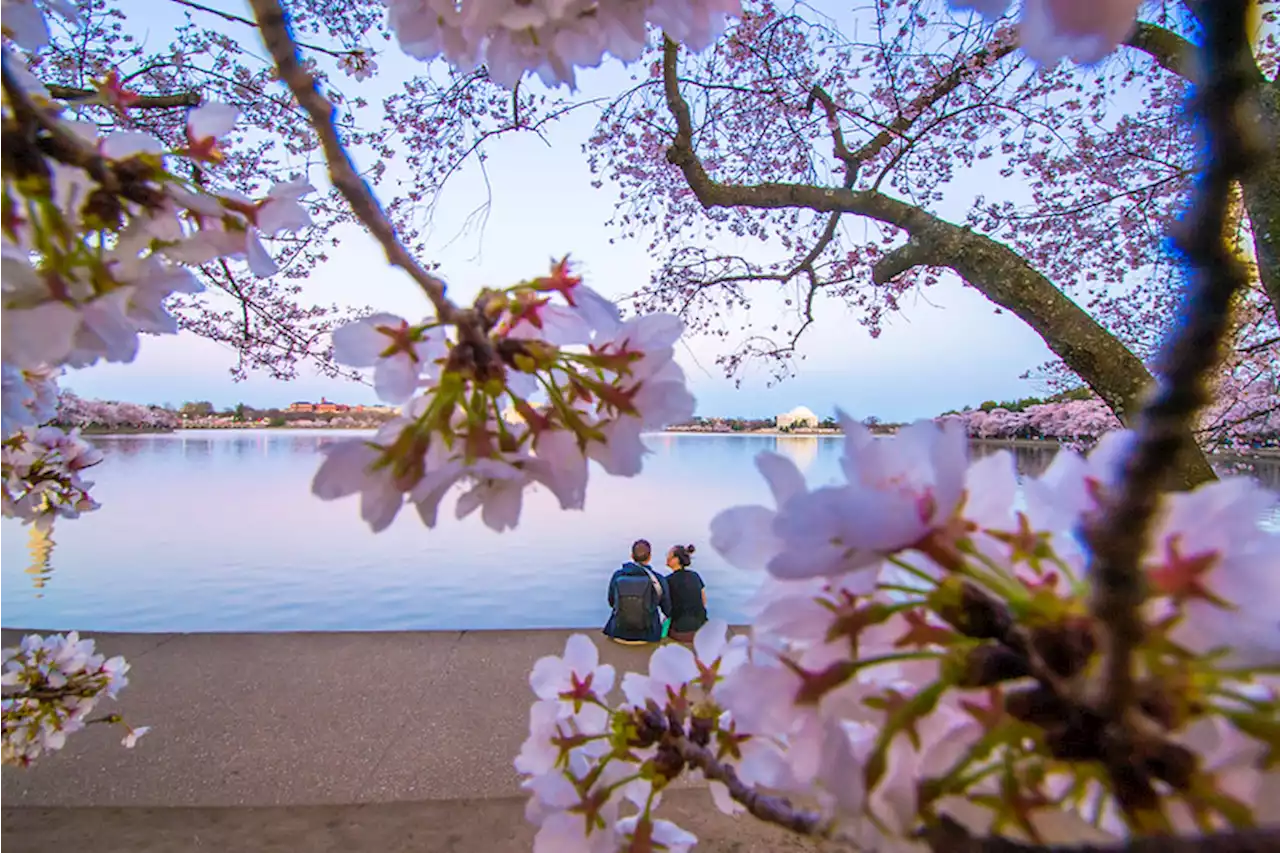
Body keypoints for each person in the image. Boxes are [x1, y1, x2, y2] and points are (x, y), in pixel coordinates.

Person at [603, 539, 671, 645]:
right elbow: (667, 609)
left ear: (632, 555)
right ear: (649, 557)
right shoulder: (658, 579)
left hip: (618, 634)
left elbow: (611, 602)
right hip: (649, 636)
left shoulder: (618, 576)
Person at [664, 543, 708, 643]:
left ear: (676, 559)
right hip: (701, 629)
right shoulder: (695, 576)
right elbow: (704, 601)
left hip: (680, 632)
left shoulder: (668, 580)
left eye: (669, 555)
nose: (667, 557)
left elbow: (665, 608)